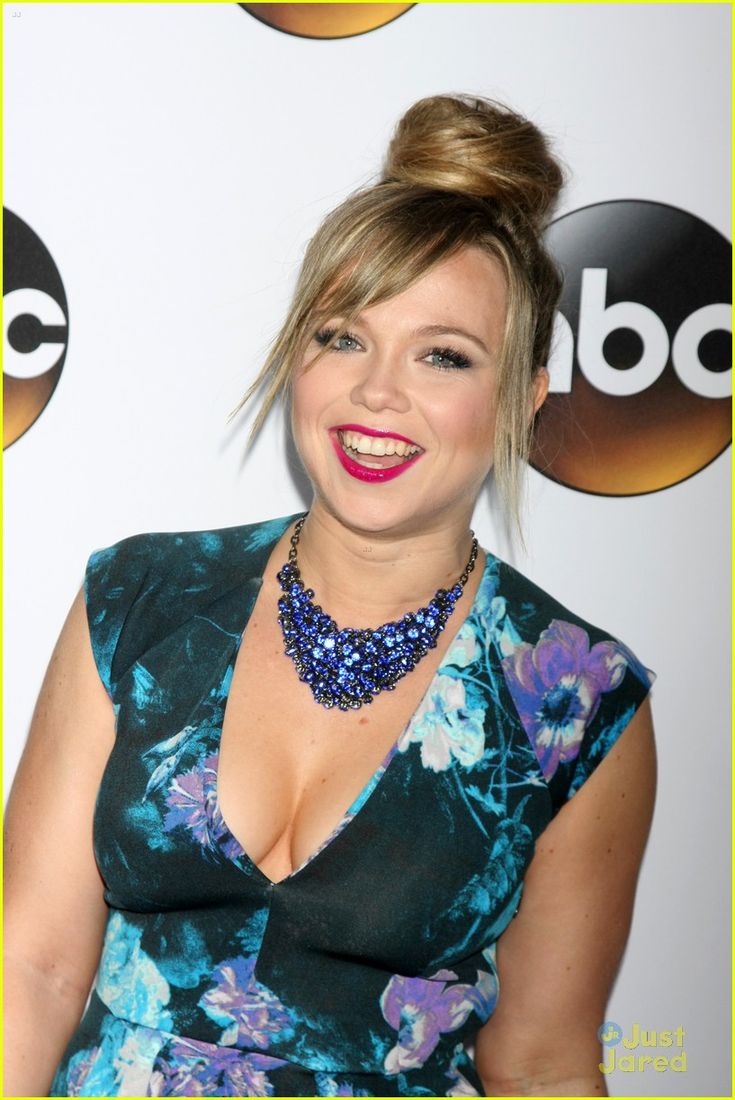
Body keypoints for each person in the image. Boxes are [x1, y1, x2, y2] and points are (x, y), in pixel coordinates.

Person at [4, 94, 656, 1098]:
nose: (377, 392)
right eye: (343, 337)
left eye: (443, 354)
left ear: (523, 396)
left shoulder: (573, 698)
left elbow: (540, 1059)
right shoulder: (140, 598)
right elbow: (33, 966)